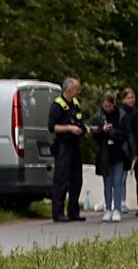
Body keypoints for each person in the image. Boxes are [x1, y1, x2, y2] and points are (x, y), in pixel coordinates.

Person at [47, 81, 87, 223]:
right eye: (76, 88)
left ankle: (73, 211)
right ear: (68, 89)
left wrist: (83, 129)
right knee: (61, 180)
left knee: (77, 179)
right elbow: (52, 127)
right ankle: (58, 212)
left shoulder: (75, 103)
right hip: (63, 146)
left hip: (75, 145)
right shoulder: (57, 105)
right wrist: (69, 128)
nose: (78, 91)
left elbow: (80, 121)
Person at [94, 90, 131, 220]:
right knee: (107, 183)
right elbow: (94, 133)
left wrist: (114, 132)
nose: (107, 109)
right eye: (105, 107)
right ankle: (108, 208)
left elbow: (126, 134)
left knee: (118, 181)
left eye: (109, 106)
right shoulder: (98, 116)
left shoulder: (121, 115)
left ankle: (117, 209)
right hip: (105, 153)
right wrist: (102, 130)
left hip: (118, 152)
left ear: (113, 104)